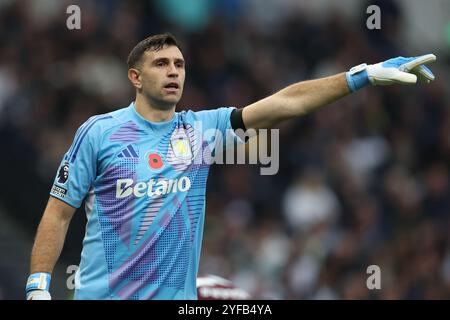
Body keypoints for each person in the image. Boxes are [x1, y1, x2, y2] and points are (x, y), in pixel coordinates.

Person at [25, 33, 436, 300]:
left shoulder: (201, 129)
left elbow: (283, 104)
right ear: (135, 76)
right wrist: (39, 284)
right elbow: (59, 213)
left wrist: (358, 77)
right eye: (161, 64)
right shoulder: (99, 133)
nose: (173, 72)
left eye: (179, 65)